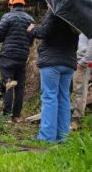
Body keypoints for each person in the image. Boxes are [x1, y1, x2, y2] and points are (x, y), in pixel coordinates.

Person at [27, 8, 79, 142]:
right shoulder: (75, 15)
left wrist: (33, 29)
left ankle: (46, 137)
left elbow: (45, 32)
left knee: (49, 97)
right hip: (68, 62)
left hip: (52, 61)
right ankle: (63, 137)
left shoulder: (55, 11)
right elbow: (76, 45)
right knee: (64, 98)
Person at [0, 0, 34, 122]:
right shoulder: (30, 19)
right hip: (22, 56)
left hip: (8, 56)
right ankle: (16, 116)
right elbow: (31, 39)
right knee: (20, 86)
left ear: (11, 5)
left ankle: (6, 115)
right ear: (23, 5)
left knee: (8, 85)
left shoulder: (7, 16)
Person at [71, 33, 92, 129]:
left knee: (79, 91)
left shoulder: (89, 25)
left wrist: (84, 61)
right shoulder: (79, 26)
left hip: (81, 62)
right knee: (73, 90)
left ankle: (76, 120)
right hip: (72, 59)